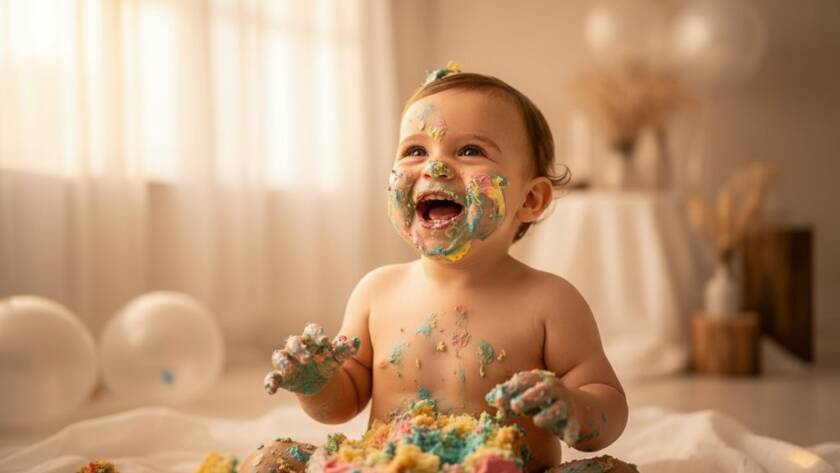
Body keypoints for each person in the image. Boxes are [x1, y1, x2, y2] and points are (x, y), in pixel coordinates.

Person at [248, 63, 634, 473]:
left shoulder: (550, 301)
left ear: (530, 200)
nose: (435, 167)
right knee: (269, 460)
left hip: (507, 468)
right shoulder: (377, 291)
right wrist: (316, 383)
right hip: (388, 466)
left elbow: (607, 401)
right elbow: (341, 405)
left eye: (470, 151)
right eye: (415, 151)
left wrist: (574, 407)